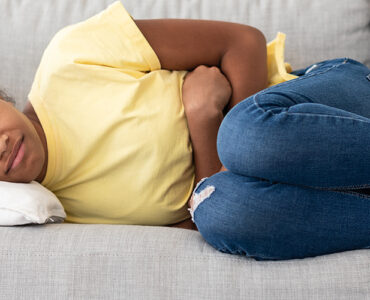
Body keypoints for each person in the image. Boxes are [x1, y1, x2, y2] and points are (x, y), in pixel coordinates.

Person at [1, 1, 370, 260]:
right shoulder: (62, 212)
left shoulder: (72, 57)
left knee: (245, 136)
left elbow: (242, 41)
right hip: (306, 186)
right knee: (223, 214)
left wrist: (225, 149)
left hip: (327, 105)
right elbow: (206, 211)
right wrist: (202, 119)